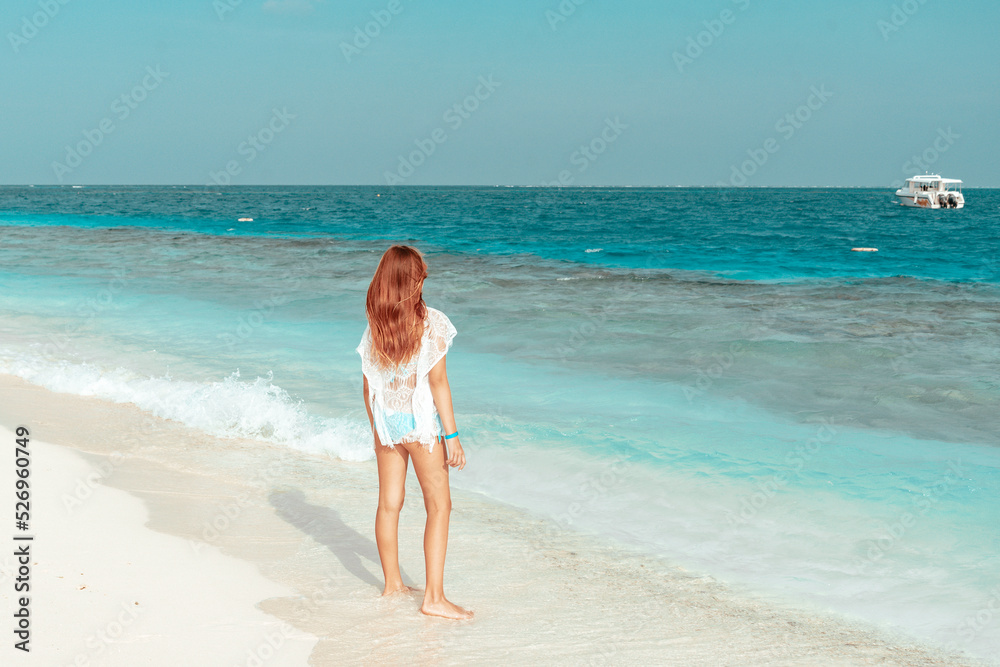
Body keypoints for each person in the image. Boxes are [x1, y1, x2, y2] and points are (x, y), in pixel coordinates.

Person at [356, 245, 473, 620]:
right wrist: (452, 438)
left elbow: (368, 384)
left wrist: (378, 430)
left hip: (387, 423)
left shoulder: (376, 324)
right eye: (421, 273)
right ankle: (434, 599)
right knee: (439, 506)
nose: (425, 278)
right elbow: (438, 382)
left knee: (390, 504)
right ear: (412, 279)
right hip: (420, 425)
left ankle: (392, 585)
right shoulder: (431, 322)